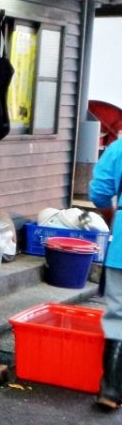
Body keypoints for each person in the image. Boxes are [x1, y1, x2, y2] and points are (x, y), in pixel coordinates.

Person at [91, 137, 122, 409]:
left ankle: (111, 390)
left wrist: (113, 216)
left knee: (118, 313)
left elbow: (100, 191)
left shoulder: (119, 148)